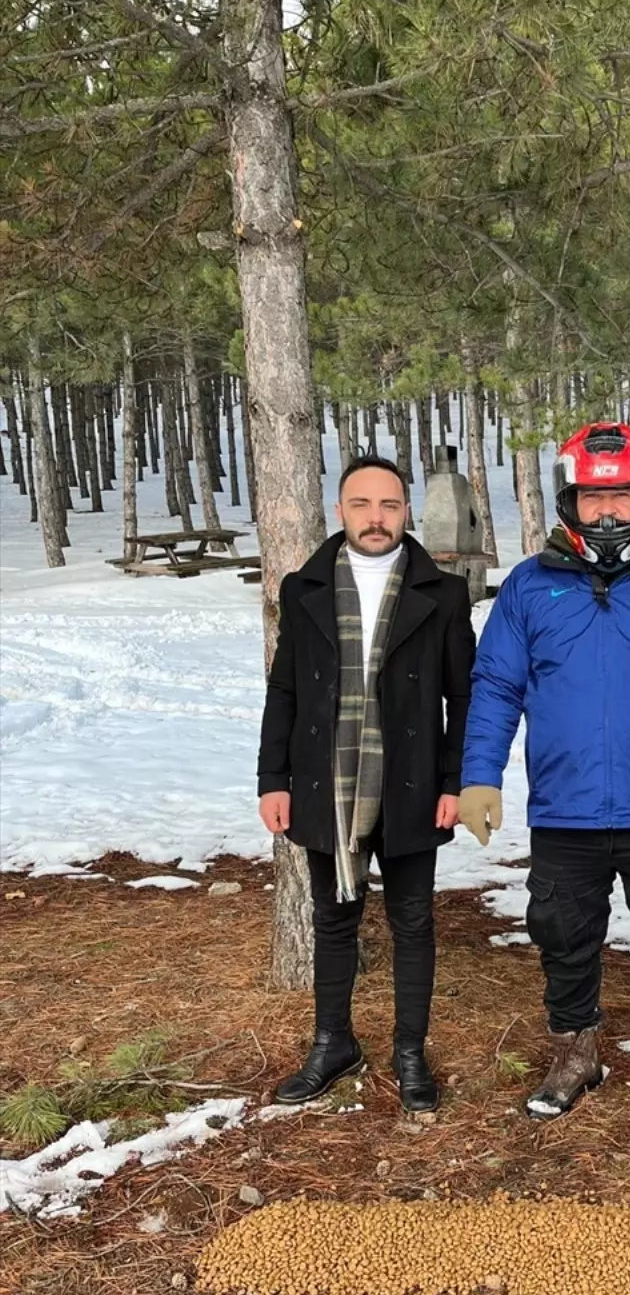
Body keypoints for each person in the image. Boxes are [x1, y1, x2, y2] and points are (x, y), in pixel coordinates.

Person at [456, 423, 630, 1135]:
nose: (606, 513)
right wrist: (479, 776)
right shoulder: (529, 586)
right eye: (591, 499)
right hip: (566, 809)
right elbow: (494, 686)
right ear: (567, 503)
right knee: (561, 932)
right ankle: (575, 1052)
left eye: (619, 497)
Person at [257, 456, 475, 1112]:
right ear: (340, 511)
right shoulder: (305, 588)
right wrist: (274, 779)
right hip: (328, 783)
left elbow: (463, 698)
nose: (375, 518)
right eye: (361, 505)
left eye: (388, 505)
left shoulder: (442, 592)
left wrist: (453, 783)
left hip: (410, 785)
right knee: (332, 919)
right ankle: (332, 1043)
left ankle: (410, 1050)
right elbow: (286, 690)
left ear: (406, 512)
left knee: (412, 921)